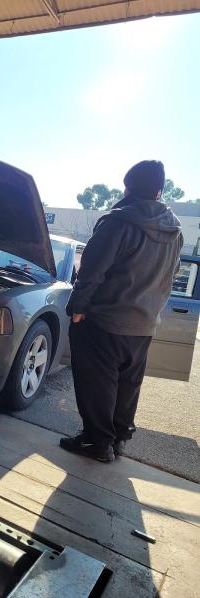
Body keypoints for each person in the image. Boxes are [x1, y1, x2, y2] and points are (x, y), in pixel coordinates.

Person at [61, 160, 183, 462]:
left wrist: (77, 308)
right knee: (128, 386)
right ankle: (117, 440)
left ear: (127, 187)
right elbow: (173, 273)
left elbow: (91, 271)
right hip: (144, 324)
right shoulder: (174, 230)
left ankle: (97, 443)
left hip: (104, 320)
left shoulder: (118, 222)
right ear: (158, 191)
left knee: (96, 384)